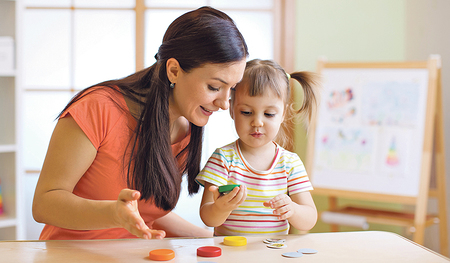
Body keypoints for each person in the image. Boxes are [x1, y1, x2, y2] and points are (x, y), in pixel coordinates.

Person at [32, 6, 248, 240]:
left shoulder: (185, 128)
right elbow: (45, 203)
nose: (225, 104)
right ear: (174, 70)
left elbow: (143, 210)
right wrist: (112, 213)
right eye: (214, 87)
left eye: (232, 89)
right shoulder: (98, 108)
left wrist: (209, 238)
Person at [196, 59, 320, 236]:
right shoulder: (223, 158)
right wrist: (220, 208)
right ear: (231, 110)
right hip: (231, 255)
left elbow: (309, 219)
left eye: (269, 114)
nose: (257, 122)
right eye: (246, 112)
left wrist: (292, 209)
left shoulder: (289, 163)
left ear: (283, 114)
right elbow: (207, 218)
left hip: (274, 254)